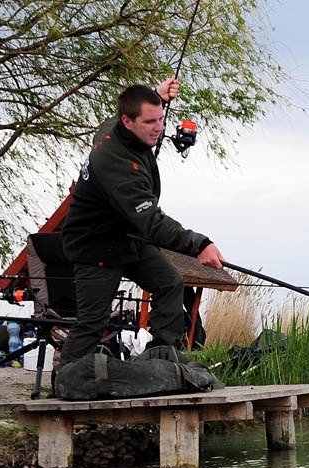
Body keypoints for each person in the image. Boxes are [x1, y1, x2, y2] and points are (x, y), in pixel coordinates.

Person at [59, 77, 224, 365]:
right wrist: (200, 244)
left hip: (126, 239)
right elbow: (151, 222)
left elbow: (118, 118)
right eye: (150, 122)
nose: (160, 128)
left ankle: (163, 359)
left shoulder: (114, 128)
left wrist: (157, 97)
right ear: (128, 122)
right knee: (92, 324)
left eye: (160, 119)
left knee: (170, 282)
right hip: (95, 248)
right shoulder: (115, 162)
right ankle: (65, 385)